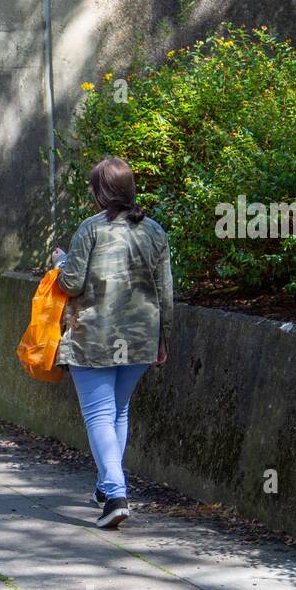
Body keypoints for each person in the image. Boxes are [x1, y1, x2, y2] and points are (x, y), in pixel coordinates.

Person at [49, 156, 173, 529]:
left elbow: (71, 284)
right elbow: (166, 292)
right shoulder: (154, 231)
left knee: (100, 415)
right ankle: (106, 488)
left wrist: (60, 263)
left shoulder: (90, 230)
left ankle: (116, 494)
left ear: (100, 192)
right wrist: (163, 336)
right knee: (118, 412)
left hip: (95, 338)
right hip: (140, 338)